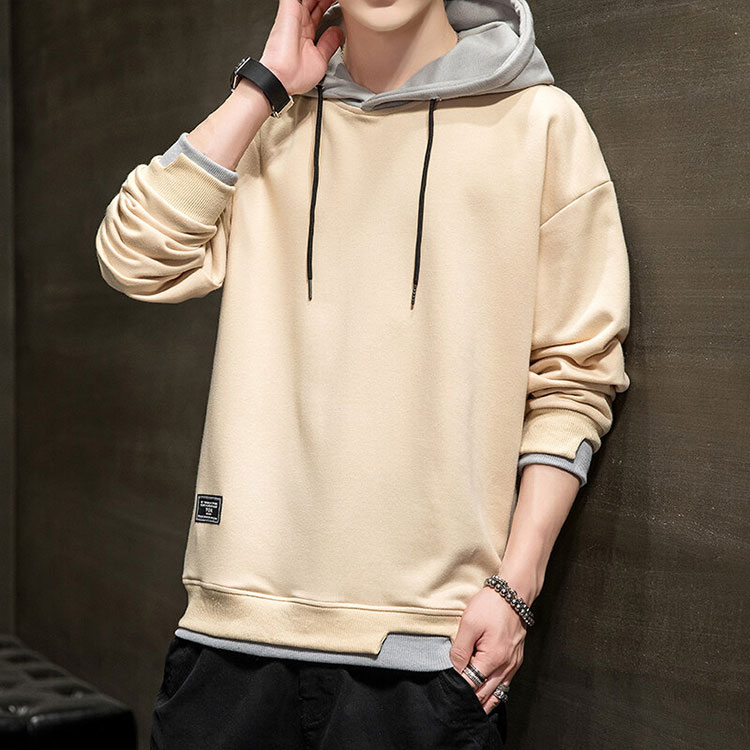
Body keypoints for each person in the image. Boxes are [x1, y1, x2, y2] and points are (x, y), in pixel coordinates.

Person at [95, 0, 631, 747]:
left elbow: (576, 377)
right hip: (232, 636)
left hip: (429, 652)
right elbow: (134, 258)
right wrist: (263, 85)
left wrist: (518, 584)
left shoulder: (540, 124)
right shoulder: (270, 126)